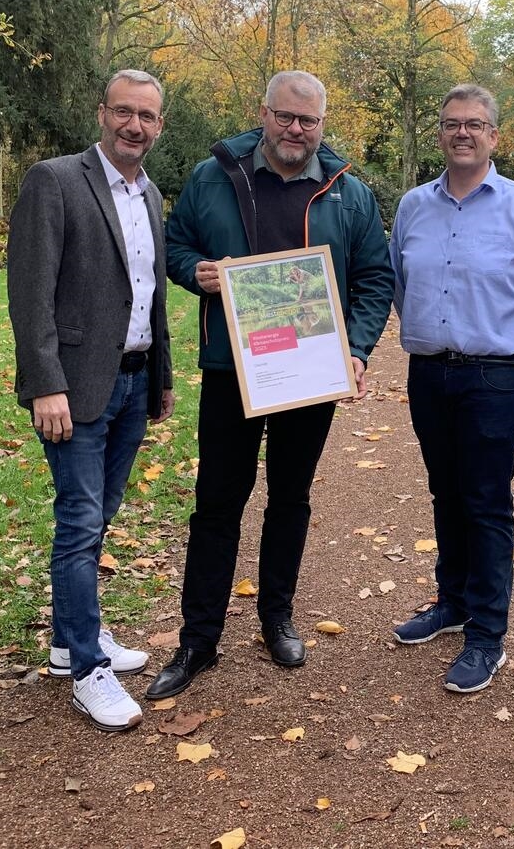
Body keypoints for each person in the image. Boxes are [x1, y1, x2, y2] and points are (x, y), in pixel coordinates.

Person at [147, 71, 394, 699]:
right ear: (264, 113)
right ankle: (198, 640)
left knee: (291, 497)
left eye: (308, 121)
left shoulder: (348, 193)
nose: (295, 130)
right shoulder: (214, 178)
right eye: (285, 117)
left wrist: (356, 349)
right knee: (217, 504)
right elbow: (174, 246)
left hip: (309, 373)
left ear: (322, 124)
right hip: (233, 369)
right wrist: (194, 272)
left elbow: (373, 279)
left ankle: (275, 618)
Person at [7, 69, 175, 732]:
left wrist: (160, 374)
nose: (136, 125)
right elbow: (30, 291)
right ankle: (86, 670)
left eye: (149, 116)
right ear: (102, 112)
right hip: (74, 387)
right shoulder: (55, 181)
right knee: (80, 523)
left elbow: (151, 291)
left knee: (98, 516)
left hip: (133, 382)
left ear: (159, 125)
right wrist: (46, 381)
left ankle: (68, 639)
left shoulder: (152, 193)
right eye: (125, 112)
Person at [389, 84, 514, 694]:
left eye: (475, 124)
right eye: (451, 123)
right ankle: (453, 603)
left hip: (497, 376)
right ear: (440, 133)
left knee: (486, 502)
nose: (462, 132)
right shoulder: (414, 206)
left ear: (494, 136)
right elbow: (400, 282)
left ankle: (487, 635)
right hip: (430, 373)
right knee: (445, 492)